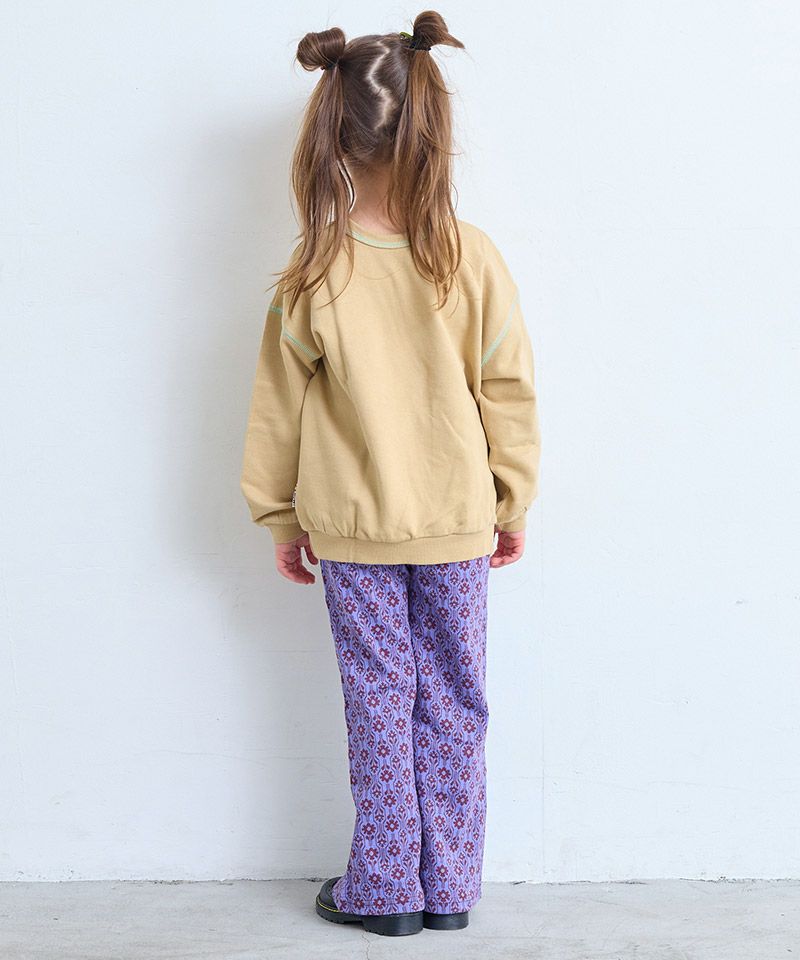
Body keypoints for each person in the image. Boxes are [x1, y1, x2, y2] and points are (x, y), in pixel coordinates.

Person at [240, 10, 541, 938]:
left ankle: (385, 892)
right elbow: (508, 387)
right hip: (456, 520)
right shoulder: (470, 256)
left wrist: (279, 517)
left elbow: (276, 406)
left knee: (379, 702)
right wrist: (511, 500)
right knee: (455, 698)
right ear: (433, 127)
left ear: (332, 134)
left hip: (352, 528)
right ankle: (448, 888)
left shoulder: (315, 268)